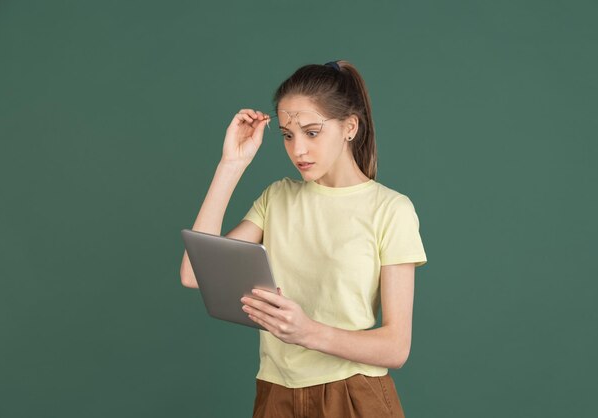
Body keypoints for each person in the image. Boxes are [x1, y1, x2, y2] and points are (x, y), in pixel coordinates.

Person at [180, 59, 427, 418]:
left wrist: (308, 332)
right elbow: (193, 274)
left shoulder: (390, 209)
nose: (298, 150)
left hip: (353, 396)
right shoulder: (277, 197)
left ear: (350, 127)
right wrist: (230, 164)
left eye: (312, 132)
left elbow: (396, 347)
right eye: (287, 135)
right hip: (275, 394)